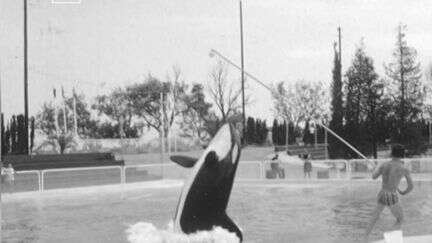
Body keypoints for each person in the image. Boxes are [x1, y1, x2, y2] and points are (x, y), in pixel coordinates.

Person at [365, 144, 414, 237]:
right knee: (400, 219)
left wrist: (376, 168)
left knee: (374, 218)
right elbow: (411, 186)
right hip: (391, 195)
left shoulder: (384, 164)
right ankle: (389, 234)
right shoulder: (404, 168)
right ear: (402, 155)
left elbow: (374, 177)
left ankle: (364, 238)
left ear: (392, 153)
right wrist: (403, 192)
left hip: (382, 193)